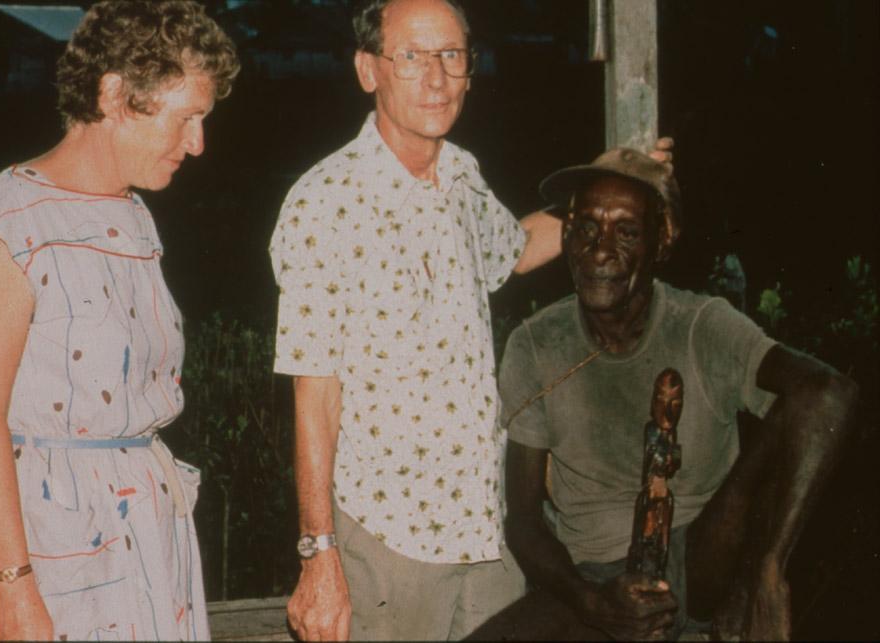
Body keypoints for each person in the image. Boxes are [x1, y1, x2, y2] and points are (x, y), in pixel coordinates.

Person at [268, 0, 672, 640]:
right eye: (413, 57)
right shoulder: (325, 204)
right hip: (388, 536)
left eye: (451, 56)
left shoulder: (460, 173)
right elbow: (312, 394)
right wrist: (319, 557)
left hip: (484, 528)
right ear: (368, 70)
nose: (436, 78)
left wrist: (617, 177)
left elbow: (516, 247)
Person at [470, 148, 858, 640]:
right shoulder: (536, 344)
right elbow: (523, 523)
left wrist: (766, 571)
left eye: (626, 231)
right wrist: (593, 602)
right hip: (594, 582)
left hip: (701, 567)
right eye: (585, 227)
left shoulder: (703, 326)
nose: (600, 249)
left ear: (663, 240)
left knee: (801, 404)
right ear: (565, 235)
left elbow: (831, 394)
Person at [0, 2, 239, 640]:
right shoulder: (14, 217)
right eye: (187, 117)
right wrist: (13, 589)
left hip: (149, 534)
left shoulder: (137, 216)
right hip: (52, 545)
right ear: (114, 95)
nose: (198, 144)